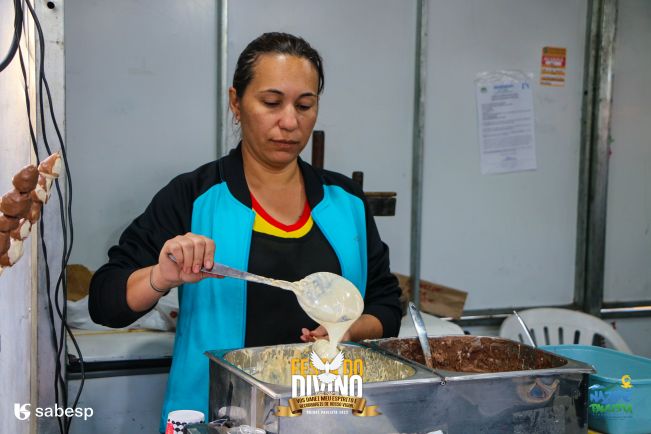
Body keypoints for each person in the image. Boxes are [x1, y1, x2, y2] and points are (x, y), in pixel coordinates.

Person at [88, 32, 402, 432]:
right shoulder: (194, 197)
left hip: (328, 418)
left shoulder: (345, 202)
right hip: (217, 417)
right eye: (271, 103)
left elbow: (386, 304)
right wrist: (159, 277)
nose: (289, 122)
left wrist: (350, 329)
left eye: (304, 105)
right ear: (236, 102)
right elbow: (105, 302)